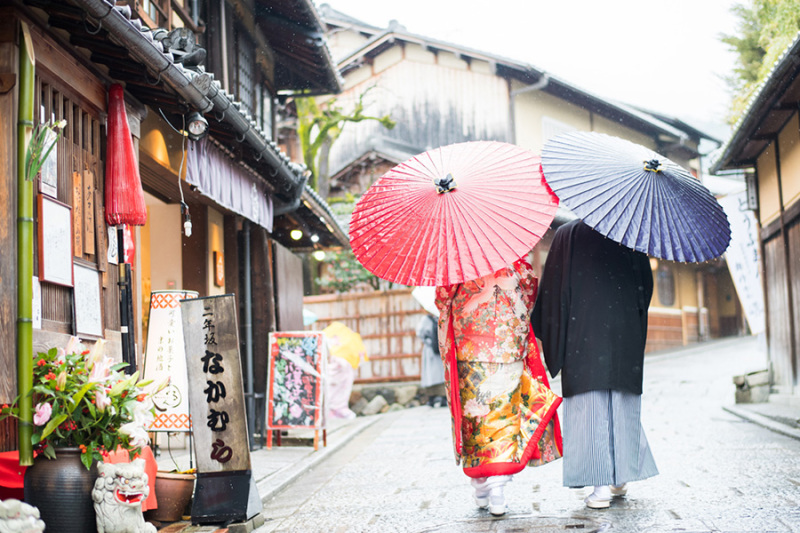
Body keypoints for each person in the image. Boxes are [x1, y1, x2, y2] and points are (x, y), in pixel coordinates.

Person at [531, 219, 659, 509]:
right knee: (622, 404)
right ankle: (620, 477)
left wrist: (554, 332)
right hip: (623, 333)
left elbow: (551, 291)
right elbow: (645, 289)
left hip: (583, 336)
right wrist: (628, 317)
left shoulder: (567, 235)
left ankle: (600, 487)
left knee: (590, 408)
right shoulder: (630, 232)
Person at [435, 258, 562, 516]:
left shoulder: (457, 257)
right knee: (503, 414)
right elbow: (528, 289)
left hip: (468, 344)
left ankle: (481, 484)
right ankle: (497, 488)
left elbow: (442, 298)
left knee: (475, 417)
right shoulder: (511, 253)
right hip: (507, 342)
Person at [416, 312, 446, 407]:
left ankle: (435, 397)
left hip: (432, 349)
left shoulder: (428, 319)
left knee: (432, 373)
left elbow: (420, 333)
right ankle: (438, 397)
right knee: (438, 373)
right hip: (435, 349)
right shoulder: (436, 318)